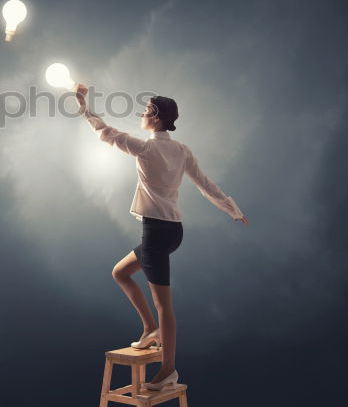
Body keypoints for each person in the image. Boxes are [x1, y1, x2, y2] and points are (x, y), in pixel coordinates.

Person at [74, 84, 249, 391]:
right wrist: (232, 209)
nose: (141, 113)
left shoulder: (145, 148)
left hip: (155, 233)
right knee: (120, 272)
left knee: (164, 305)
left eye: (145, 110)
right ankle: (150, 329)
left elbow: (105, 131)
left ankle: (168, 369)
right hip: (173, 233)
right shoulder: (182, 150)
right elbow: (205, 184)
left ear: (155, 118)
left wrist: (84, 106)